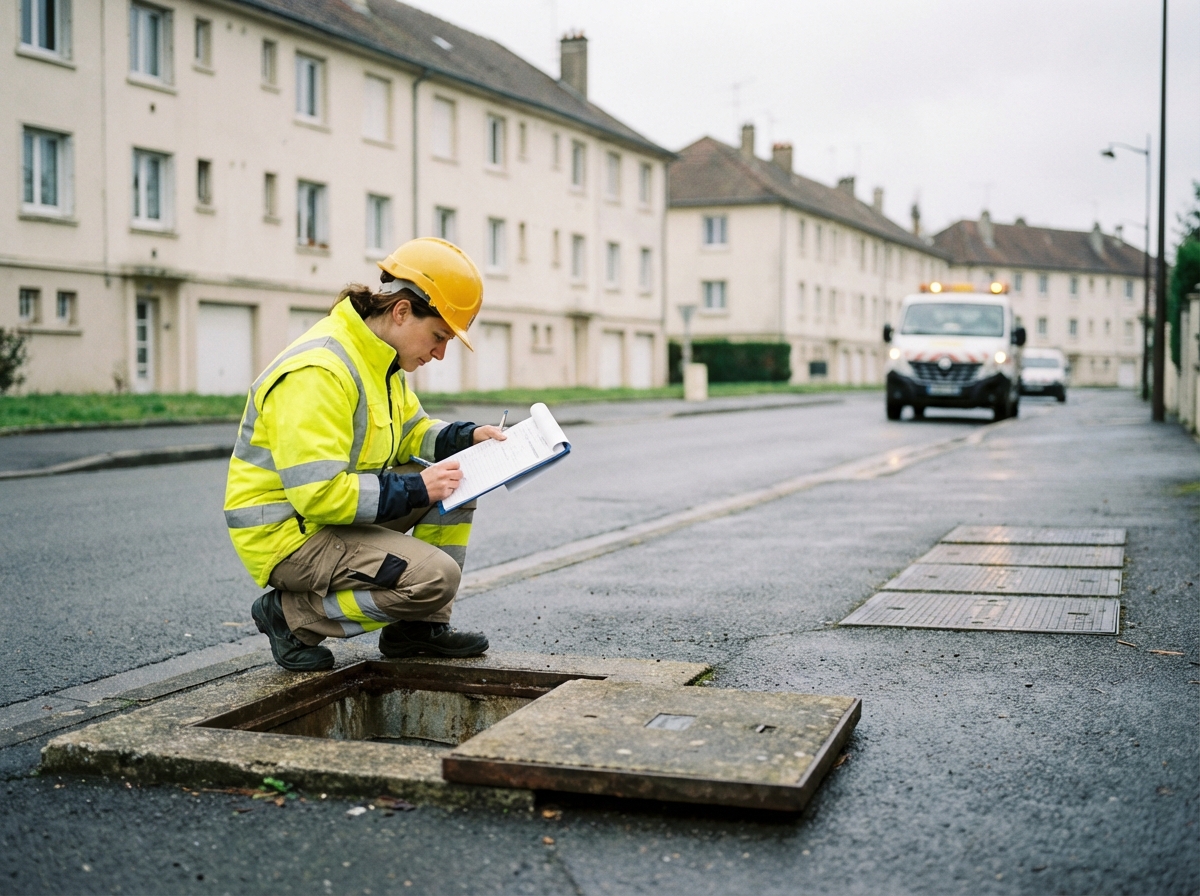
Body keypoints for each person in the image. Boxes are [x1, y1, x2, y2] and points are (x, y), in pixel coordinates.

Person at [223, 238, 505, 671]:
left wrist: (467, 439)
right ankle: (293, 617)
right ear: (402, 311)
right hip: (289, 535)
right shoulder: (319, 370)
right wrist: (416, 488)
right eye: (439, 336)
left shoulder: (380, 359)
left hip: (326, 518)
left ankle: (417, 631)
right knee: (435, 577)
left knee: (457, 479)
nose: (440, 353)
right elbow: (317, 495)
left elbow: (411, 431)